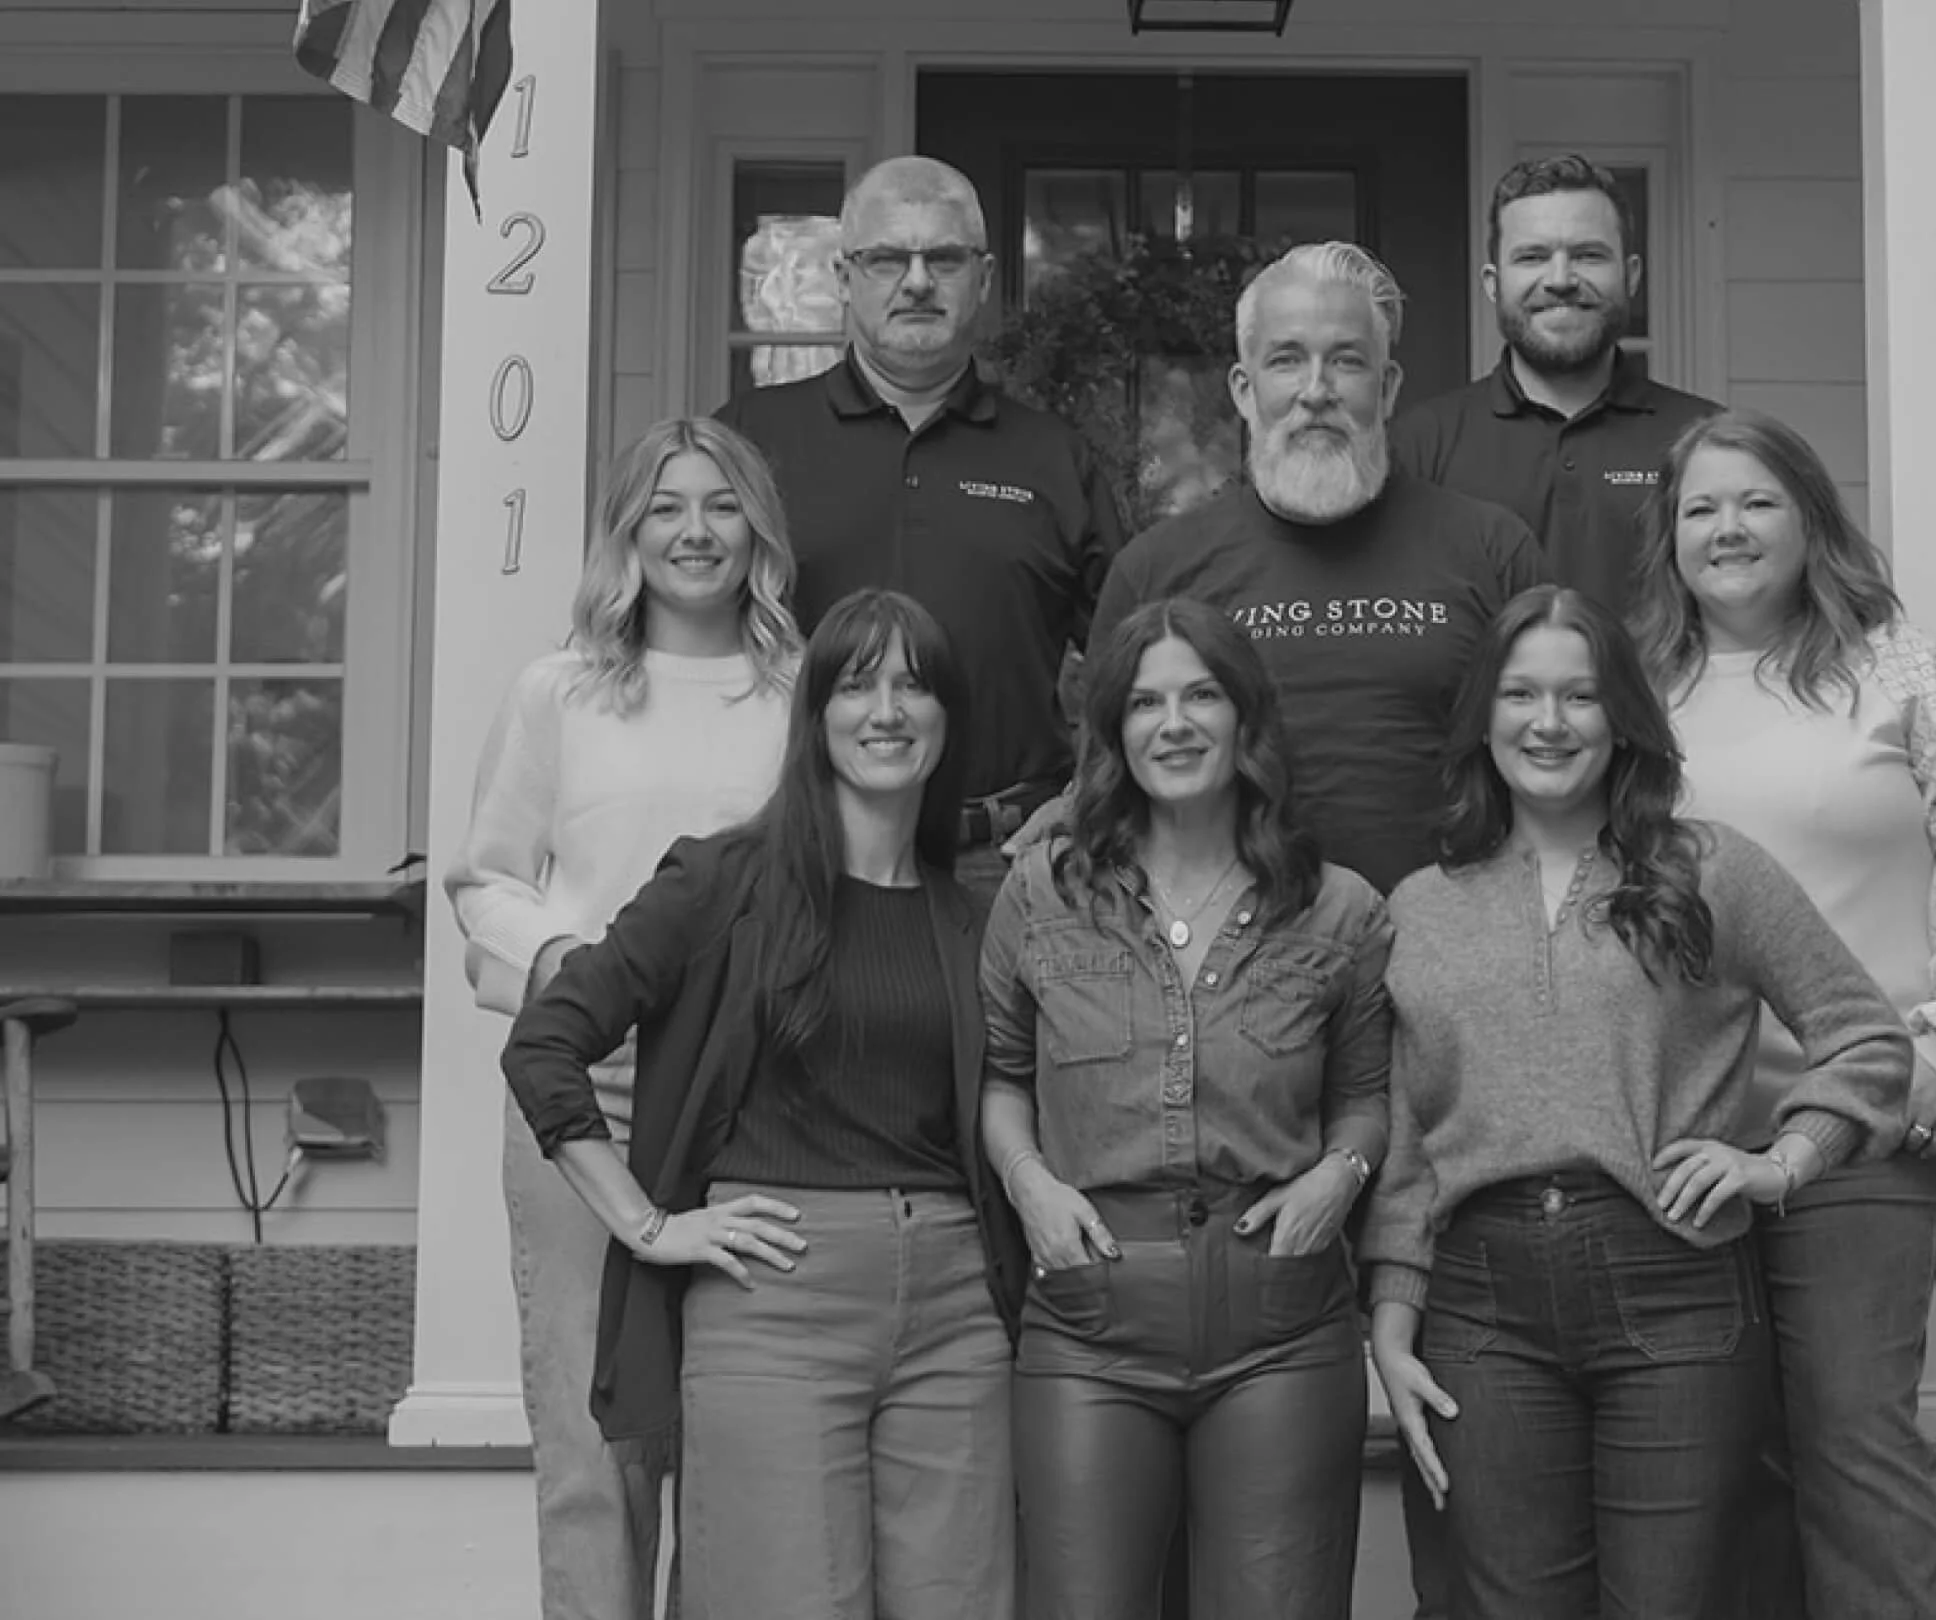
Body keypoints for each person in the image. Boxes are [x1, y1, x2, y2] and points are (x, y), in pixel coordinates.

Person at [1361, 585, 1913, 1620]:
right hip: (1480, 1310)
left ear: (1622, 717)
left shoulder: (1710, 870)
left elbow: (1868, 1039)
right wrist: (1391, 1330)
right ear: (1483, 718)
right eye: (1521, 694)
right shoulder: (1421, 908)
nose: (1550, 722)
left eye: (1580, 695)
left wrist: (1780, 1162)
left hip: (1673, 1286)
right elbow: (1406, 1148)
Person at [498, 590, 1028, 1620]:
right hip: (777, 1303)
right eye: (857, 685)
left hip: (958, 1312)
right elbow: (545, 1044)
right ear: (815, 715)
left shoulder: (974, 914)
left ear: (947, 719)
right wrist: (649, 1225)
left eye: (914, 685)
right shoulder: (723, 880)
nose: (887, 710)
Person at [1632, 409, 1936, 1620]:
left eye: (1757, 502)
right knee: (1722, 1453)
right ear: (1669, 537)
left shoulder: (1909, 671)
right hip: (1685, 1129)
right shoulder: (1636, 690)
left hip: (1867, 1123)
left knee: (1850, 1435)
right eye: (1701, 508)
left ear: (1812, 519)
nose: (1728, 529)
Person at [446, 416, 799, 1620]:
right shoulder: (560, 691)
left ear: (759, 530)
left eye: (722, 504)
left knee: (734, 1445)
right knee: (595, 1452)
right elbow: (485, 880)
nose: (696, 531)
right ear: (626, 533)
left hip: (753, 1100)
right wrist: (573, 964)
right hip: (586, 1093)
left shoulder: (806, 694)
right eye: (666, 507)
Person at [979, 597, 1393, 1620]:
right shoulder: (1043, 892)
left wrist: (1340, 1177)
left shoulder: (1339, 906)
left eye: (1201, 696)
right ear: (1113, 731)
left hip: (1283, 1322)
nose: (1174, 724)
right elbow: (1002, 1078)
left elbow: (1365, 1099)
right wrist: (1029, 1186)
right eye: (1145, 702)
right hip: (1090, 1315)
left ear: (1246, 717)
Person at [717, 154, 1125, 901]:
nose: (916, 282)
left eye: (943, 258)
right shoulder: (752, 439)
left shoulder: (1052, 457)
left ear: (984, 278)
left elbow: (1135, 664)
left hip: (1003, 865)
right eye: (886, 259)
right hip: (798, 855)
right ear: (844, 277)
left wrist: (1084, 801)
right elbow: (677, 634)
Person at [1089, 241, 1547, 894]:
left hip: (1450, 940)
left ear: (1388, 387)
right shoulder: (1153, 571)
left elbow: (1560, 767)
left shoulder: (1493, 551)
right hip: (1227, 948)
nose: (1316, 391)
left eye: (1347, 360)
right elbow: (1105, 792)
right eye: (1286, 360)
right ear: (1244, 390)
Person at [1392, 155, 1716, 618]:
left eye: (1588, 255)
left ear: (1631, 275)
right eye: (1532, 257)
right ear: (1493, 283)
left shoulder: (1704, 438)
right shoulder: (1420, 447)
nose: (1561, 280)